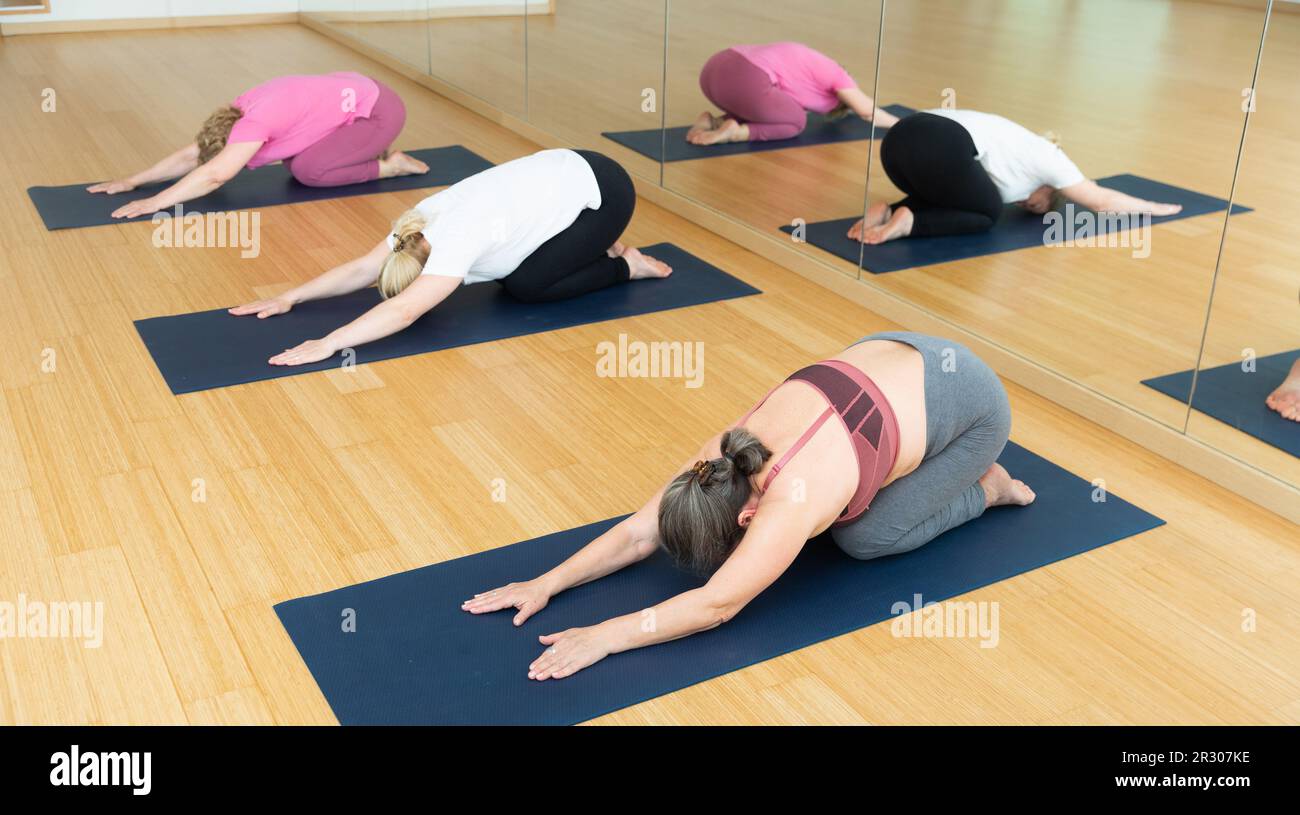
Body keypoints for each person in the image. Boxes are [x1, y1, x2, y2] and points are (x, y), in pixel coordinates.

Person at [463, 332, 1035, 680]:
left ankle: (987, 487)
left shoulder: (790, 499)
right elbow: (640, 533)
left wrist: (607, 634)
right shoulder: (722, 454)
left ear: (746, 517)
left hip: (974, 403)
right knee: (849, 504)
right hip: (900, 347)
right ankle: (915, 466)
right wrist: (546, 582)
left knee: (862, 538)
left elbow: (716, 605)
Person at [228, 149, 672, 366]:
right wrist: (290, 297)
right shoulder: (415, 227)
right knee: (512, 269)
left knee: (527, 286)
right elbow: (363, 268)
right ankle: (588, 244)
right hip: (568, 167)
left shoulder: (456, 240)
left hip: (606, 193)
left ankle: (624, 265)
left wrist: (329, 343)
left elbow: (403, 310)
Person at [89, 72, 428, 219]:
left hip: (379, 111)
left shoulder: (256, 124)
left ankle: (390, 165)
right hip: (353, 92)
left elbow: (214, 175)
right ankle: (359, 148)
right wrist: (132, 181)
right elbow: (193, 154)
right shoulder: (240, 109)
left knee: (308, 171)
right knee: (291, 163)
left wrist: (155, 202)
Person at [848, 109, 1183, 243]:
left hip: (897, 144)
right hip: (939, 141)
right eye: (1037, 207)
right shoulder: (1052, 161)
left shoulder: (1016, 147)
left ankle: (889, 210)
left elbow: (951, 183)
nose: (1026, 204)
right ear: (1050, 191)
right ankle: (908, 223)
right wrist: (1153, 207)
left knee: (956, 196)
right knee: (988, 211)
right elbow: (1100, 200)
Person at [687, 42, 898, 145]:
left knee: (768, 108)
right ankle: (735, 132)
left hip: (713, 70)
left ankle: (713, 122)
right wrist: (900, 123)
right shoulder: (839, 75)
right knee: (796, 121)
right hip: (747, 78)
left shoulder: (811, 66)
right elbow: (867, 111)